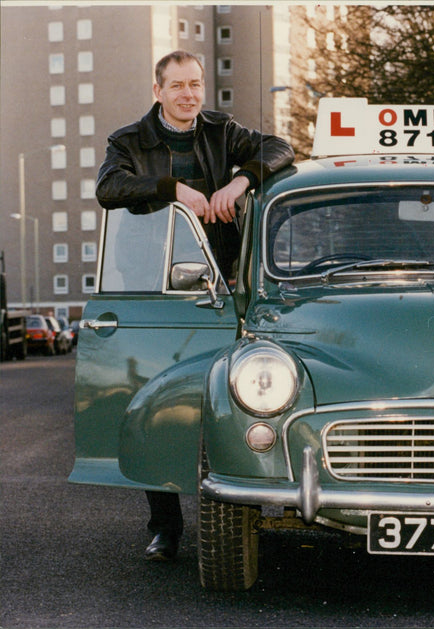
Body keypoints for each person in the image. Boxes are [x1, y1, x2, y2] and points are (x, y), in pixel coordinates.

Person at [95, 50, 294, 561]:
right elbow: (109, 188)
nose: (189, 94)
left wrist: (239, 180)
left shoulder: (220, 130)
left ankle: (236, 509)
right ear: (157, 90)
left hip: (221, 282)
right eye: (178, 85)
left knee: (230, 393)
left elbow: (280, 147)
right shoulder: (129, 140)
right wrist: (174, 189)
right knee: (157, 402)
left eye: (195, 84)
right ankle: (165, 527)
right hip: (155, 283)